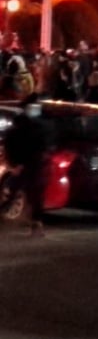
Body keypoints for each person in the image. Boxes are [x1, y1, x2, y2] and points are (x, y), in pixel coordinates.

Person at [3, 98, 54, 237]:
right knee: (34, 195)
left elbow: (11, 146)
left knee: (11, 192)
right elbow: (43, 147)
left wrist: (14, 165)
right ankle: (36, 224)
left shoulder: (21, 128)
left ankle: (35, 224)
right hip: (33, 165)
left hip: (26, 166)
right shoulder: (38, 127)